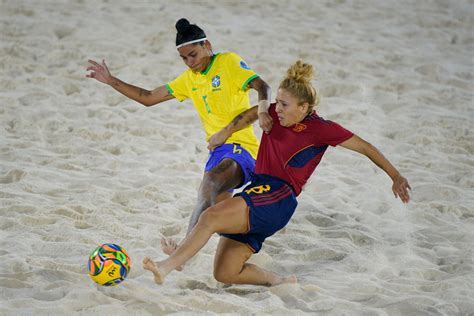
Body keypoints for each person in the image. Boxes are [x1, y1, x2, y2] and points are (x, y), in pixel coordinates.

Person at [142, 60, 411, 286]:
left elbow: (365, 147)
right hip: (258, 193)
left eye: (284, 104)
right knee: (224, 273)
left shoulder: (322, 129)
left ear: (304, 108)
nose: (277, 109)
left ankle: (168, 265)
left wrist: (396, 176)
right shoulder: (271, 113)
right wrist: (225, 132)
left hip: (277, 196)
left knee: (211, 216)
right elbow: (249, 115)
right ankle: (278, 282)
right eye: (277, 102)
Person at [86, 18, 273, 256]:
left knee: (208, 187)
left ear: (207, 45)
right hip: (217, 152)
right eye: (184, 58)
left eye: (193, 55)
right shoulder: (189, 79)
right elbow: (149, 97)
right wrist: (110, 80)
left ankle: (179, 256)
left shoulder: (228, 62)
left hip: (241, 149)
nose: (189, 63)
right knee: (223, 220)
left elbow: (263, 87)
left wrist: (262, 111)